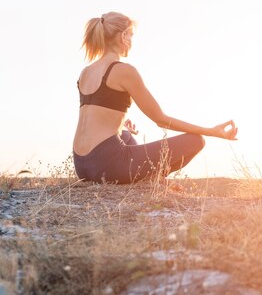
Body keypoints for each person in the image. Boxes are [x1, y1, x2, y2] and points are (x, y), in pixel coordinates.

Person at [72, 12, 238, 184]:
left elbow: (98, 106)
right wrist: (212, 131)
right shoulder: (125, 71)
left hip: (81, 164)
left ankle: (143, 174)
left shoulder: (86, 72)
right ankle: (151, 179)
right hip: (106, 165)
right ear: (123, 36)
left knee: (126, 135)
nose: (131, 40)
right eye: (131, 35)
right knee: (196, 141)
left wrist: (121, 125)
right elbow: (161, 120)